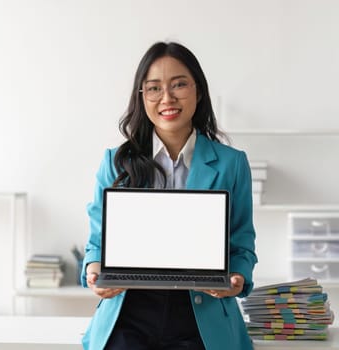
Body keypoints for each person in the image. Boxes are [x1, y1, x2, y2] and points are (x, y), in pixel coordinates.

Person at [81, 41, 257, 350]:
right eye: (153, 88)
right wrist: (95, 270)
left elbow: (242, 243)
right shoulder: (115, 161)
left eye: (179, 85)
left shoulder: (232, 163)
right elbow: (97, 242)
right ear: (142, 97)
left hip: (200, 312)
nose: (167, 98)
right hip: (129, 311)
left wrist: (238, 276)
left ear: (198, 91)